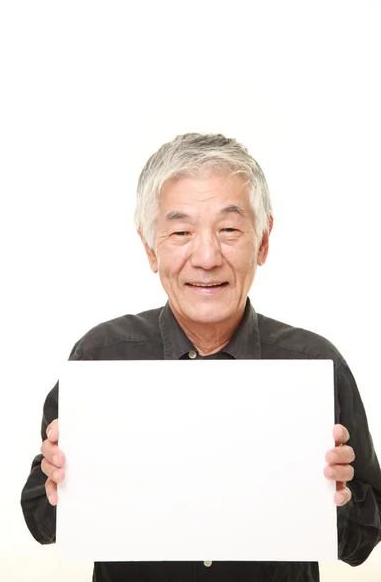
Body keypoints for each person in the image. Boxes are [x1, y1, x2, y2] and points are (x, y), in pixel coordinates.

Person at [21, 133, 381, 582]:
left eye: (229, 230)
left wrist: (340, 498)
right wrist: (59, 489)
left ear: (264, 240)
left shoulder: (314, 364)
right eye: (181, 232)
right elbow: (40, 521)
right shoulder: (99, 359)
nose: (207, 256)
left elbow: (363, 542)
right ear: (151, 248)